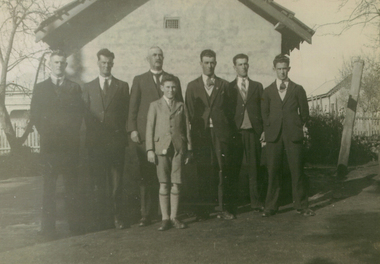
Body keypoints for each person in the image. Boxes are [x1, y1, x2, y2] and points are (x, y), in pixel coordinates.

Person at [30, 50, 84, 235]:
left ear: (66, 66)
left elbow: (79, 116)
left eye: (62, 62)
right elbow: (35, 115)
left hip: (69, 146)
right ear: (50, 64)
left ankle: (74, 227)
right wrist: (48, 133)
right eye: (56, 62)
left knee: (71, 187)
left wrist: (69, 135)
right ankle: (48, 229)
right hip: (50, 147)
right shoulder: (40, 88)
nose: (59, 65)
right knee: (49, 188)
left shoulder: (74, 88)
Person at [128, 46, 183, 227]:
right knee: (147, 175)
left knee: (166, 176)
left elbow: (179, 108)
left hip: (169, 139)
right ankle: (146, 214)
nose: (157, 58)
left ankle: (165, 215)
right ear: (148, 58)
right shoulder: (139, 80)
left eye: (160, 55)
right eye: (154, 55)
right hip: (146, 136)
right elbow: (133, 108)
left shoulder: (172, 80)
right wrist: (133, 130)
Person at [261, 54, 315, 217]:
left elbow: (305, 113)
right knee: (273, 171)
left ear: (289, 69)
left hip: (293, 134)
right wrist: (267, 130)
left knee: (297, 170)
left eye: (285, 68)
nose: (282, 72)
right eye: (279, 69)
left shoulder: (298, 89)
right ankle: (271, 206)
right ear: (274, 69)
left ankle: (302, 205)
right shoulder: (268, 91)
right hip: (274, 136)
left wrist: (299, 125)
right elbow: (264, 114)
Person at [82, 48, 130, 229]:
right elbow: (86, 115)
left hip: (116, 143)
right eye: (103, 62)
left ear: (113, 64)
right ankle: (101, 219)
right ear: (98, 63)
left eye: (109, 63)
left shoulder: (122, 86)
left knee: (117, 183)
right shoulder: (88, 87)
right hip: (96, 144)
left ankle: (118, 217)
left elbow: (125, 113)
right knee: (98, 183)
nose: (106, 66)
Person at [185, 49, 235, 221]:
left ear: (216, 63)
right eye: (206, 62)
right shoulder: (192, 86)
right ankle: (204, 210)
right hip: (202, 134)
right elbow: (190, 112)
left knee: (223, 170)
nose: (209, 65)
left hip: (221, 134)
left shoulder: (225, 85)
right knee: (204, 171)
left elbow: (230, 110)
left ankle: (224, 208)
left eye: (212, 62)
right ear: (201, 64)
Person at [145, 74, 192, 231]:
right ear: (162, 88)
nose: (171, 90)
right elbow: (149, 128)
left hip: (178, 149)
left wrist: (189, 149)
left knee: (176, 184)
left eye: (173, 87)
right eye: (168, 87)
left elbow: (186, 129)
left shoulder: (181, 105)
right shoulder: (155, 105)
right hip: (161, 149)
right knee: (164, 183)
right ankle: (165, 218)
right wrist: (150, 149)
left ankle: (174, 217)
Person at [229, 54, 265, 213]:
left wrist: (263, 130)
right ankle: (234, 204)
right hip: (236, 133)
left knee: (254, 168)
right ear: (234, 67)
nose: (243, 67)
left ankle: (256, 202)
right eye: (240, 64)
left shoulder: (257, 86)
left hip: (253, 132)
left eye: (245, 64)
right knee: (233, 168)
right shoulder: (229, 87)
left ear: (248, 66)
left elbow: (263, 110)